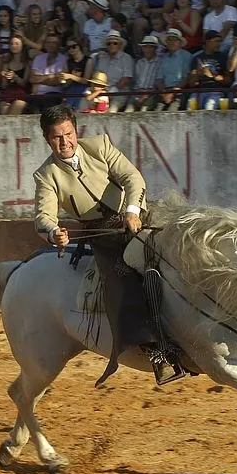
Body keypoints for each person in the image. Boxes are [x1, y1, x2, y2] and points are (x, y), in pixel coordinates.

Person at [32, 104, 183, 387]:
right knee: (122, 280)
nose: (65, 142)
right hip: (102, 235)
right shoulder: (46, 175)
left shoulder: (99, 146)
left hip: (137, 217)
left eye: (68, 134)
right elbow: (43, 216)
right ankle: (156, 352)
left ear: (76, 131)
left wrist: (133, 209)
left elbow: (132, 177)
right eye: (56, 137)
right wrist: (54, 233)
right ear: (46, 139)